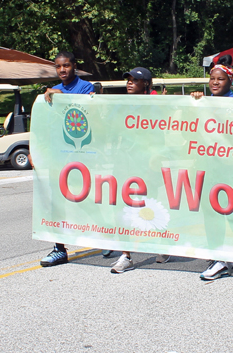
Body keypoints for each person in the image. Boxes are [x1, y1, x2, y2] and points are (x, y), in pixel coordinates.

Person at [191, 59, 233, 280]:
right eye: (212, 78)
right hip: (210, 167)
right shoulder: (202, 101)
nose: (215, 82)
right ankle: (217, 256)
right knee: (211, 212)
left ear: (231, 80)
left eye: (221, 79)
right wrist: (194, 102)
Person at [107, 67, 172, 272]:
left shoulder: (156, 105)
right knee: (122, 209)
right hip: (124, 163)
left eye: (135, 80)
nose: (130, 82)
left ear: (146, 84)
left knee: (150, 208)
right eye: (128, 79)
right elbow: (106, 125)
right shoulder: (119, 106)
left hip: (147, 166)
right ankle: (126, 255)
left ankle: (162, 246)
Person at [39, 51, 94, 267]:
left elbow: (80, 108)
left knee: (89, 199)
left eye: (67, 66)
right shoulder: (51, 93)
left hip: (83, 154)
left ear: (74, 66)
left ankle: (106, 238)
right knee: (57, 202)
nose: (62, 70)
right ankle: (59, 249)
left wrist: (56, 95)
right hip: (59, 156)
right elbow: (46, 124)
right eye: (58, 67)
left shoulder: (85, 88)